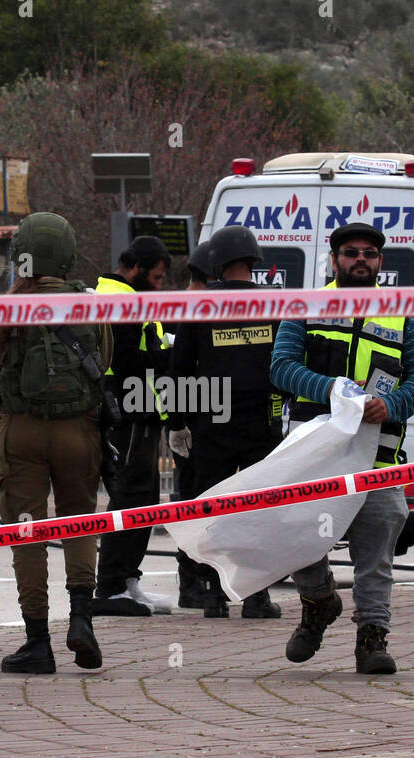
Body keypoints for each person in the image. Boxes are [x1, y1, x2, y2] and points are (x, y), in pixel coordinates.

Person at [269, 222, 414, 673]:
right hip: (314, 453)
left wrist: (394, 403)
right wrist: (334, 391)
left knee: (376, 551)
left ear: (381, 262)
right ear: (334, 259)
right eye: (350, 253)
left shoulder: (403, 313)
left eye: (368, 253)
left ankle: (373, 638)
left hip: (378, 455)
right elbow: (281, 367)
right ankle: (319, 600)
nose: (359, 259)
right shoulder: (306, 306)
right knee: (295, 536)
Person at [0, 213, 113, 673]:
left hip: (22, 431)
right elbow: (104, 361)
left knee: (27, 535)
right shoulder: (90, 303)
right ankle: (82, 619)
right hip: (80, 431)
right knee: (80, 523)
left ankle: (38, 641)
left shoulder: (8, 308)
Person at [170, 226, 282, 619]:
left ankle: (211, 594)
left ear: (216, 263)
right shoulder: (274, 304)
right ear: (253, 262)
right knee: (258, 508)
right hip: (262, 424)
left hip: (211, 422)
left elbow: (179, 369)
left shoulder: (201, 305)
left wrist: (177, 423)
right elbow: (287, 364)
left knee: (209, 511)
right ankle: (256, 597)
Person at [93, 236, 173, 615]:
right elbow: (128, 360)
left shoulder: (127, 297)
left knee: (143, 500)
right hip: (126, 414)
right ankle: (110, 588)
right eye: (156, 277)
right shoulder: (119, 299)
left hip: (140, 414)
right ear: (138, 268)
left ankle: (127, 582)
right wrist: (169, 357)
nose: (160, 285)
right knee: (128, 499)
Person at [170, 240, 215, 609]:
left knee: (193, 501)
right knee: (192, 503)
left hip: (200, 422)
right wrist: (179, 423)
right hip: (198, 425)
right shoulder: (195, 309)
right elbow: (180, 372)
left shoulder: (195, 308)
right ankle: (191, 582)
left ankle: (197, 581)